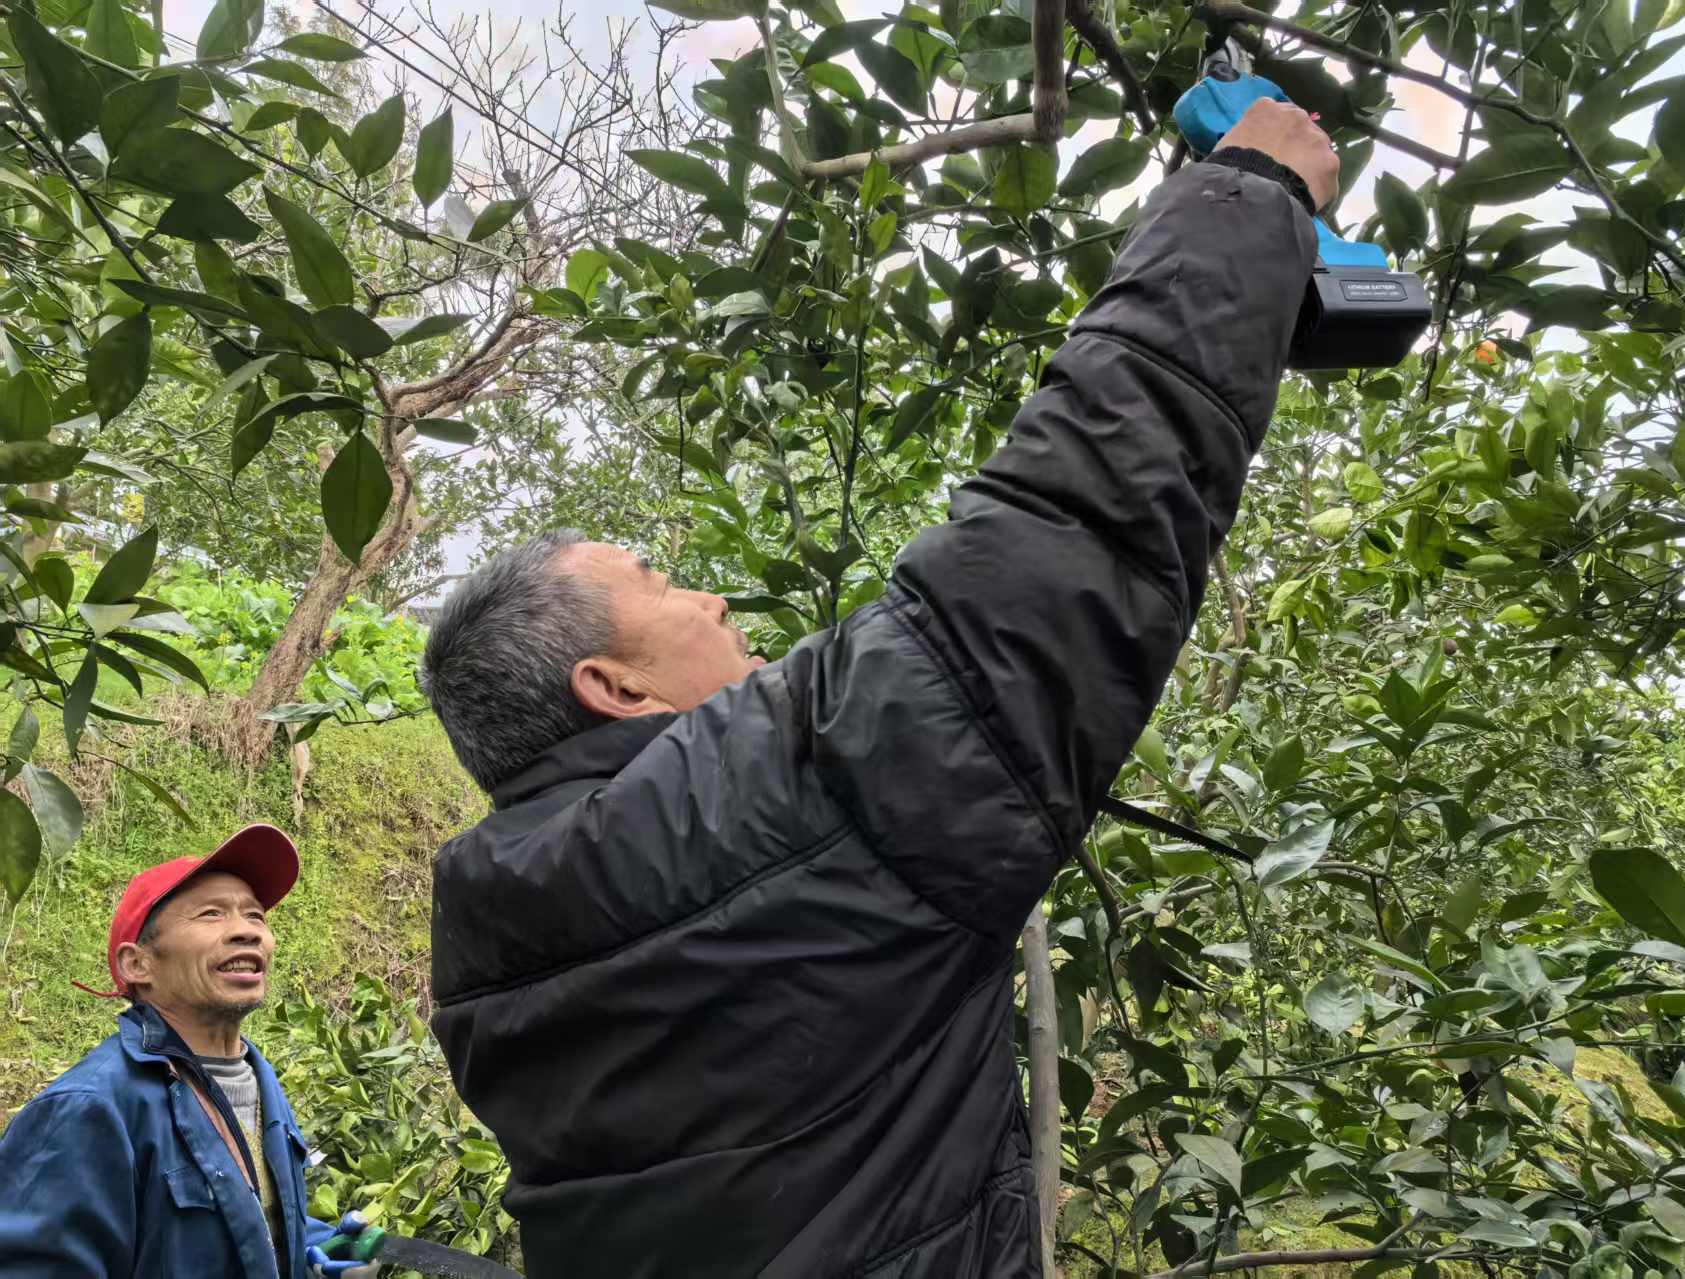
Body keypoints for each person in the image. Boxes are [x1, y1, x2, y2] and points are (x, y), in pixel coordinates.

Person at [418, 100, 1338, 1278]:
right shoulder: (758, 802)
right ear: (610, 685)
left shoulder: (490, 937)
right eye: (663, 588)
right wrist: (1246, 195)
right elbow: (1066, 537)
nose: (712, 604)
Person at [0, 826, 369, 1278]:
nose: (245, 932)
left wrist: (315, 1247)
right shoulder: (89, 1109)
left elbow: (247, 1215)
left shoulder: (258, 1079)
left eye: (255, 916)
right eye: (212, 915)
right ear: (138, 964)